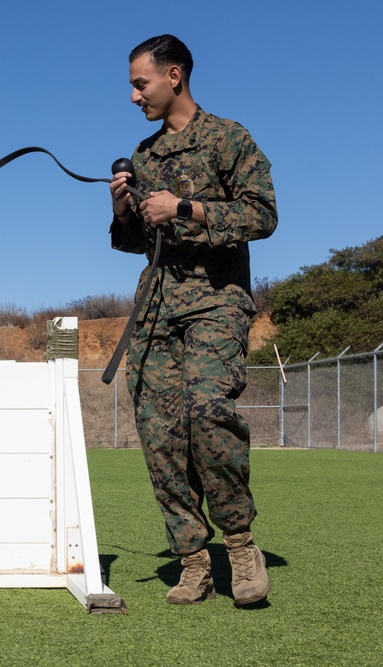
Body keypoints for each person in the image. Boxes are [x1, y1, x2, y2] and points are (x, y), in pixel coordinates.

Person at [108, 34, 277, 606]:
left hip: (217, 300)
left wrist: (185, 207)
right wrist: (124, 209)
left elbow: (263, 214)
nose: (133, 96)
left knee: (208, 413)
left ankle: (241, 544)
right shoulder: (146, 155)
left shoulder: (229, 138)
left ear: (173, 75)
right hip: (157, 307)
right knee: (159, 434)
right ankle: (194, 559)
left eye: (140, 84)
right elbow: (136, 242)